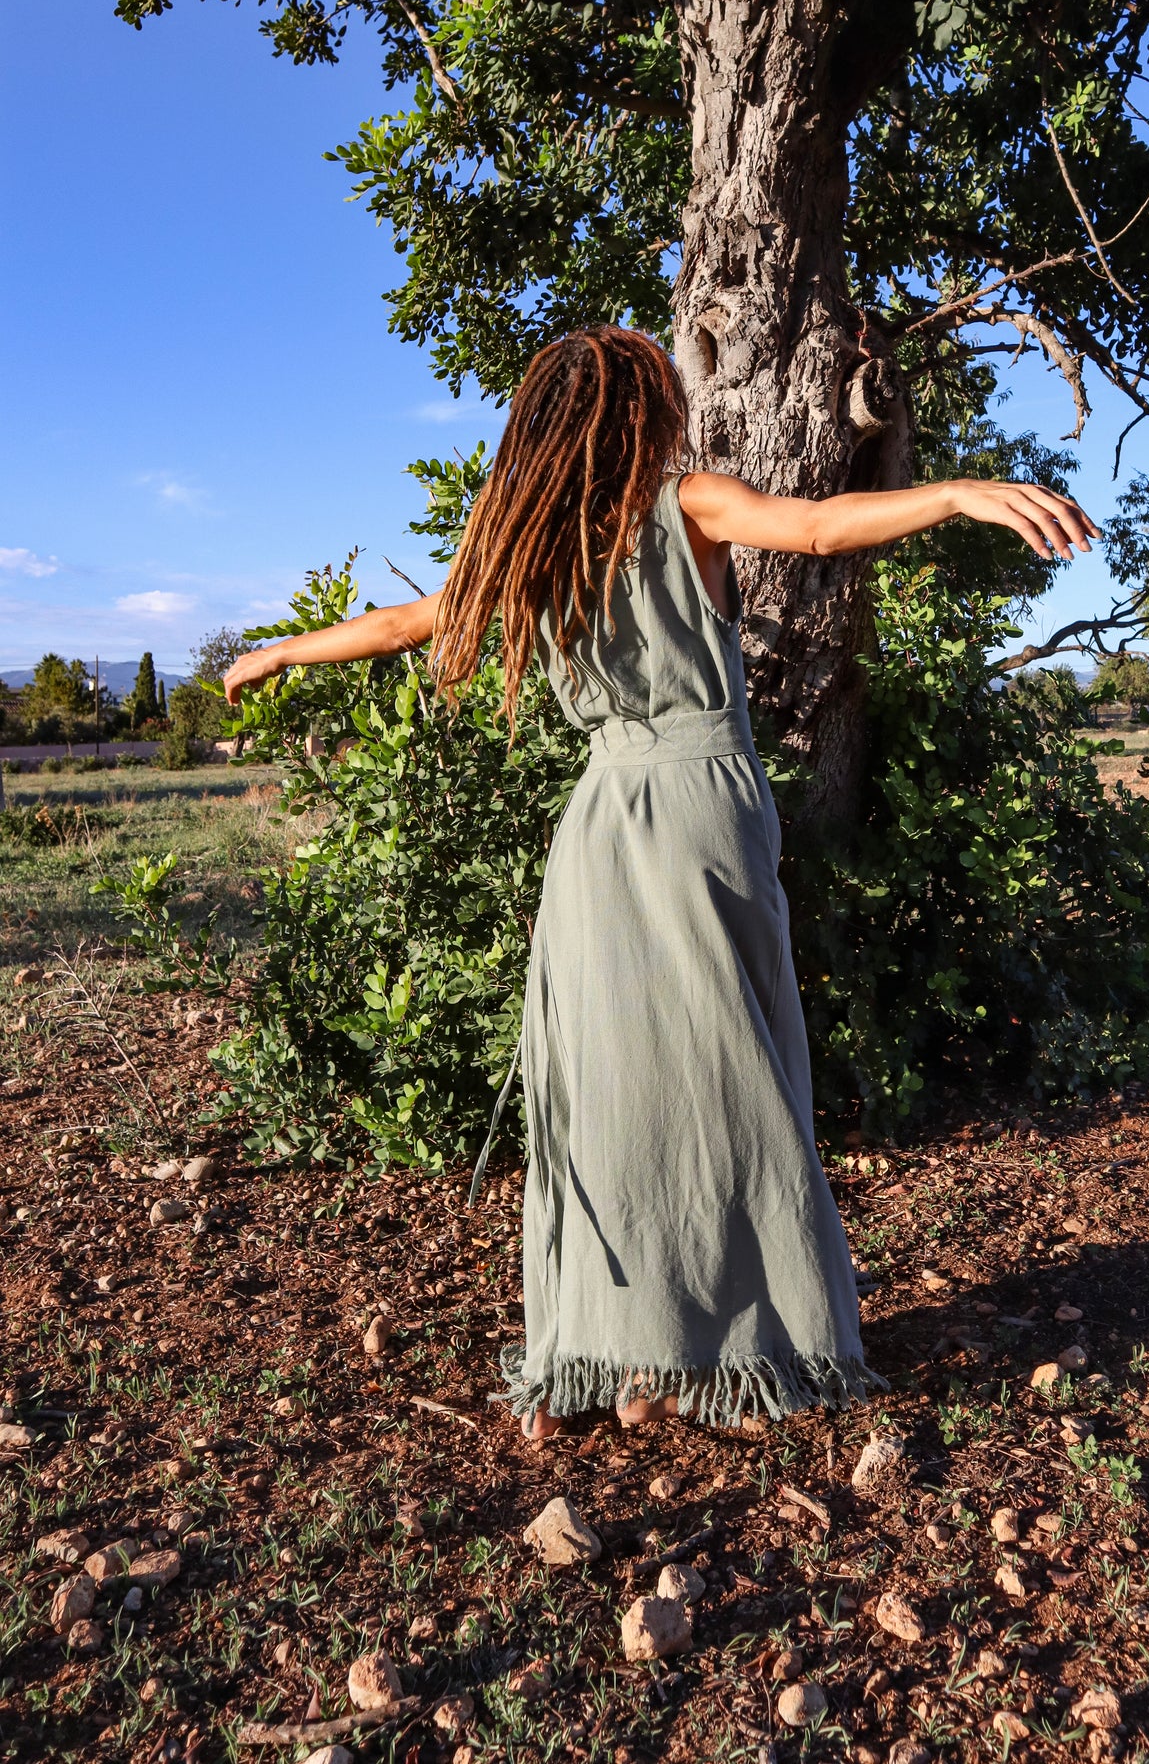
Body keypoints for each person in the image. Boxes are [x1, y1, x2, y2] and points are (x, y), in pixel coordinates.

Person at [225, 326, 1098, 1439]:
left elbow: (402, 625)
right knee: (723, 1069)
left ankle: (625, 1347)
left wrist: (281, 650)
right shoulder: (688, 502)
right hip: (699, 804)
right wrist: (959, 493)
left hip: (600, 819)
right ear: (646, 413)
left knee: (613, 1081)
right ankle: (727, 1344)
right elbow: (821, 525)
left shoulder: (534, 542)